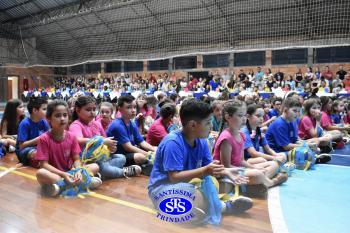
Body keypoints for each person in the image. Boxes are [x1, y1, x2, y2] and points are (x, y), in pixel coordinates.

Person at [148, 99, 253, 225]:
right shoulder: (173, 143)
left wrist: (227, 172)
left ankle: (210, 205)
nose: (211, 126)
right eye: (208, 122)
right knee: (191, 201)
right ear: (192, 125)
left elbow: (210, 168)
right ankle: (223, 206)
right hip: (163, 189)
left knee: (214, 184)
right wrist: (204, 171)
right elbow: (174, 178)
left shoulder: (202, 141)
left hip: (191, 185)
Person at [213, 100, 288, 196]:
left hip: (239, 168)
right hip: (228, 174)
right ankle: (271, 182)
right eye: (240, 116)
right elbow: (226, 167)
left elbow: (241, 161)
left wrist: (253, 167)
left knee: (274, 165)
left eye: (244, 115)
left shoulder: (241, 134)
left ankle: (257, 184)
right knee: (257, 174)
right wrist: (253, 171)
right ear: (228, 117)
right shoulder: (226, 138)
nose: (244, 119)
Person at [35, 100, 102, 197]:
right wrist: (63, 175)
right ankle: (84, 182)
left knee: (95, 166)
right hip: (56, 174)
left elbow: (76, 159)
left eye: (65, 115)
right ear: (48, 118)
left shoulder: (72, 136)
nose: (62, 119)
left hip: (71, 172)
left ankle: (60, 187)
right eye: (57, 116)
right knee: (40, 173)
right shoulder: (44, 139)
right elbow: (44, 164)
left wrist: (78, 171)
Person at [107, 95, 156, 167]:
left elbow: (141, 142)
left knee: (155, 149)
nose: (133, 110)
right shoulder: (117, 125)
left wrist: (154, 151)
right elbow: (128, 147)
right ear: (120, 109)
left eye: (134, 107)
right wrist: (149, 155)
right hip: (118, 156)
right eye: (128, 107)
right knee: (140, 157)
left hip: (128, 153)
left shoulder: (132, 123)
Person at [16, 97, 49, 168]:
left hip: (39, 148)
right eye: (44, 109)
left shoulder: (44, 121)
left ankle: (40, 161)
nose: (47, 111)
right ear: (34, 110)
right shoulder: (24, 123)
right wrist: (39, 139)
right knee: (36, 153)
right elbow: (21, 146)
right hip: (25, 150)